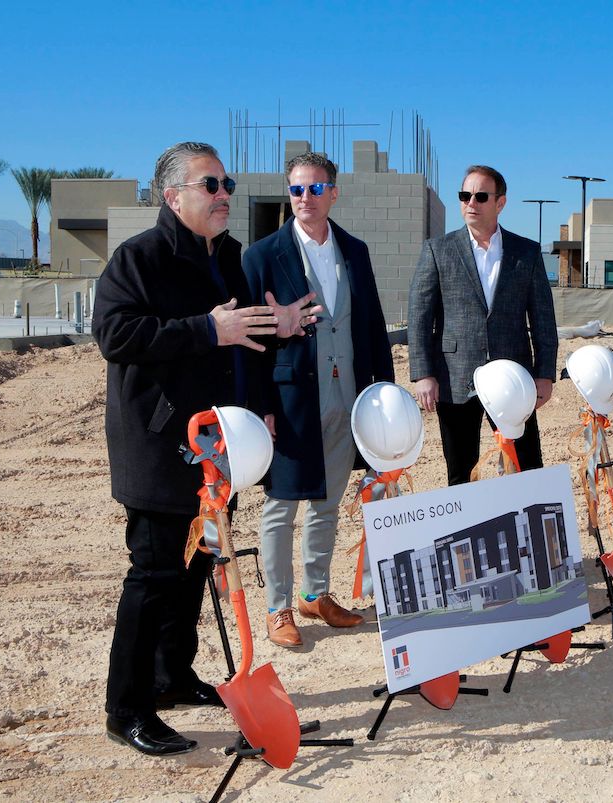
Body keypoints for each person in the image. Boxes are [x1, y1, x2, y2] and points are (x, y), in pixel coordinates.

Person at [93, 142, 318, 756]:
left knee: (197, 567)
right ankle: (127, 707)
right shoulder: (138, 258)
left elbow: (241, 333)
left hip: (218, 445)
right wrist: (204, 329)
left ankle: (172, 676)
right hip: (161, 444)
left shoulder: (231, 258)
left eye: (228, 184)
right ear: (172, 197)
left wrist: (281, 326)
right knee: (156, 573)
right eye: (210, 184)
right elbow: (113, 334)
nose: (224, 194)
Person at [243, 152, 394, 648]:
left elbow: (371, 325)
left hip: (347, 391)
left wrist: (383, 395)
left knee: (328, 499)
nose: (304, 199)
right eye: (296, 190)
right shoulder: (262, 256)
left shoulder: (355, 249)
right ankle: (278, 607)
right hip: (290, 398)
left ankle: (316, 592)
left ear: (333, 192)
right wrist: (258, 405)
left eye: (314, 188)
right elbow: (251, 343)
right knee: (282, 504)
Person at [408, 165, 558, 485]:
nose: (470, 203)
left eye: (480, 196)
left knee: (526, 467)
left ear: (500, 203)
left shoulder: (526, 253)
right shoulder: (438, 250)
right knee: (461, 474)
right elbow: (420, 316)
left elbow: (543, 319)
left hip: (514, 381)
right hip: (455, 378)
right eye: (465, 196)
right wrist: (423, 373)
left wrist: (544, 374)